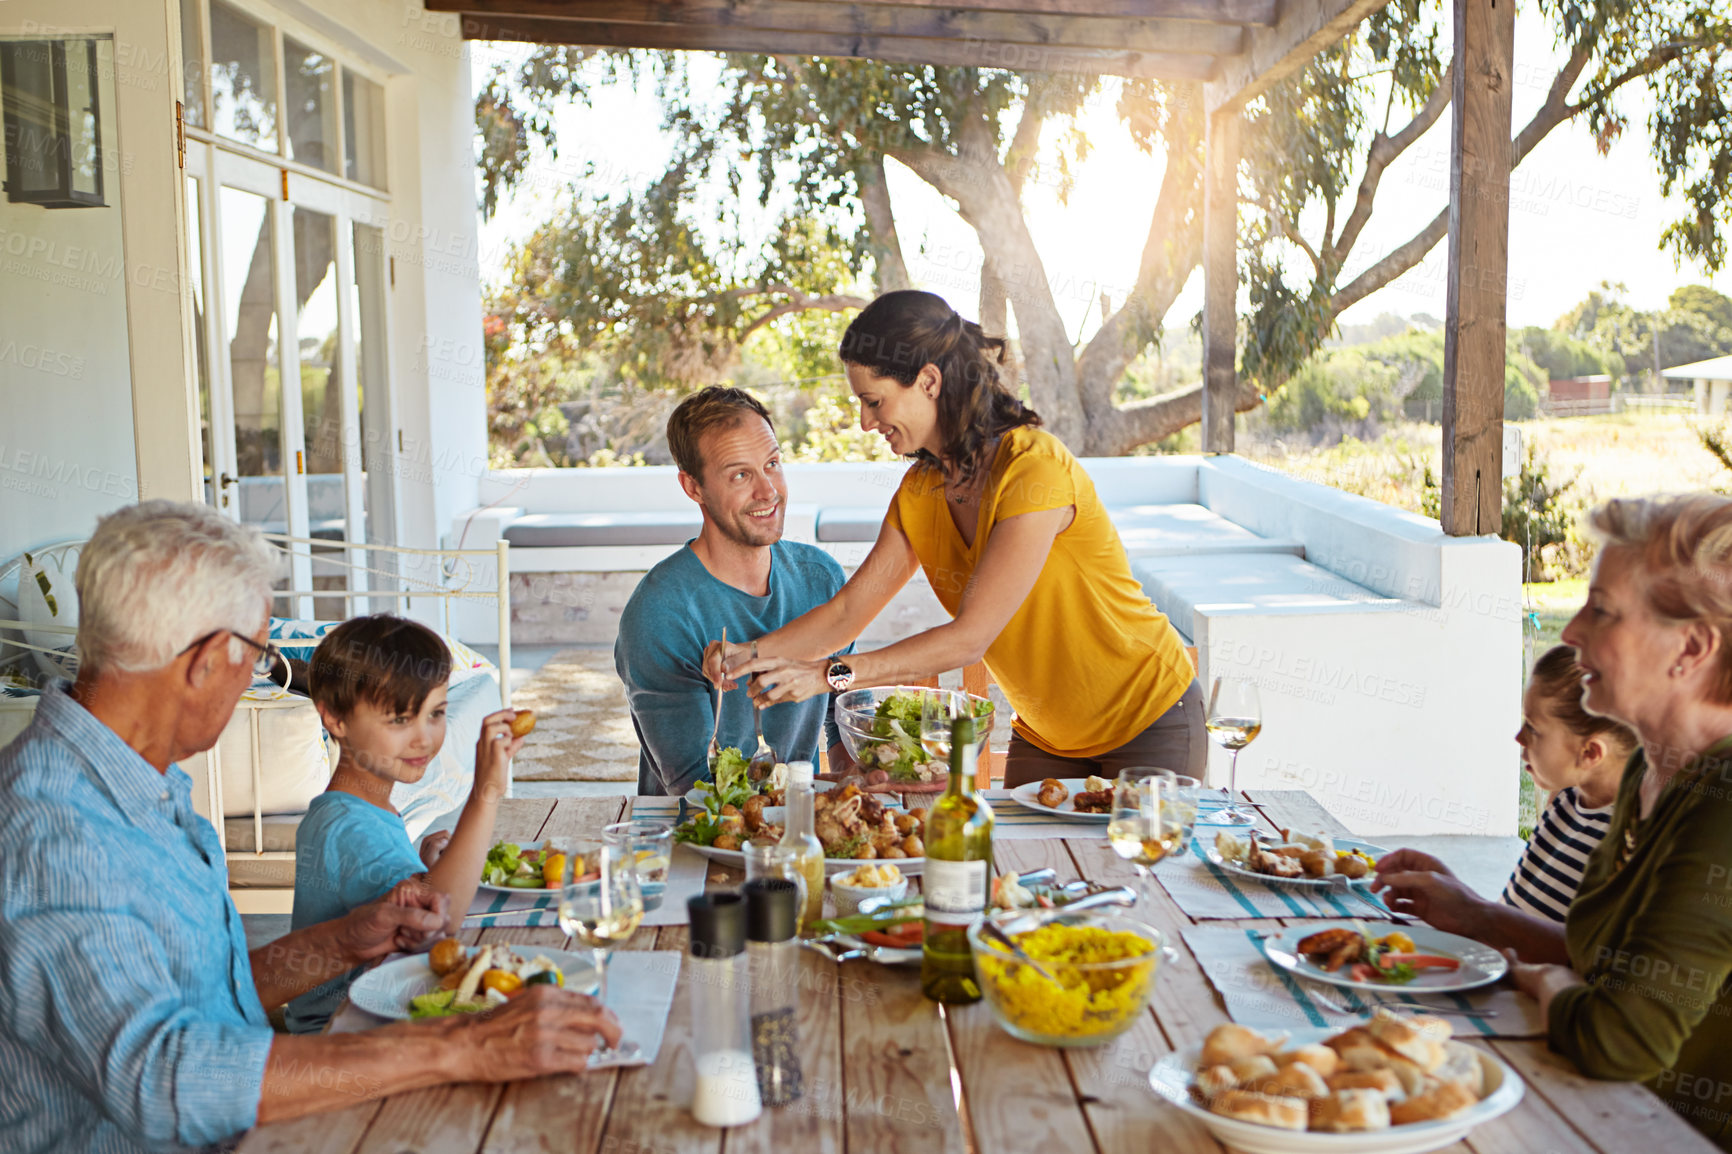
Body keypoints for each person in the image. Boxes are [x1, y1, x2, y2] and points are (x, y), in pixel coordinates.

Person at [0, 501, 619, 1153]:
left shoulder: (138, 785)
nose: (253, 682)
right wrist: (459, 1045)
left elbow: (211, 990)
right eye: (260, 659)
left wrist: (345, 941)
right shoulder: (56, 831)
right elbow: (166, 1081)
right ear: (208, 659)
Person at [713, 290, 1204, 787]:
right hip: (1048, 738)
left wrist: (828, 676)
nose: (865, 422)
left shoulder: (1034, 470)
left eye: (874, 401)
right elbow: (846, 614)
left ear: (928, 380)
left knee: (1139, 862)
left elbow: (970, 638)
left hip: (1150, 720)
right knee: (1014, 865)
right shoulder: (920, 492)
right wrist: (746, 656)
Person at [1498, 495, 1732, 1148]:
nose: (1570, 632)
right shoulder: (1646, 772)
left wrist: (1548, 981)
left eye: (1601, 611)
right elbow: (1604, 969)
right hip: (1602, 1115)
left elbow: (1617, 1038)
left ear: (1691, 646)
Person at [285, 614, 526, 1034]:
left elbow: (386, 893)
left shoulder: (359, 808)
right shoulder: (347, 826)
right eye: (399, 719)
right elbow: (441, 918)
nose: (424, 738)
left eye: (436, 713)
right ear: (336, 719)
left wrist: (420, 869)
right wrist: (484, 793)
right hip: (343, 1031)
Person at [615, 386, 850, 795]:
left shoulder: (821, 578)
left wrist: (853, 781)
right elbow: (695, 788)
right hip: (693, 839)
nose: (768, 491)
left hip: (801, 827)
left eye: (772, 464)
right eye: (740, 475)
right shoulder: (659, 612)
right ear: (694, 487)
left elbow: (839, 698)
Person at [1372, 644, 1637, 945]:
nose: (1519, 737)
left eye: (1534, 728)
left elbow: (1586, 957)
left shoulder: (1633, 835)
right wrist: (1456, 894)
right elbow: (1520, 917)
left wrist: (1474, 913)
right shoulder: (1566, 799)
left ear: (1589, 752)